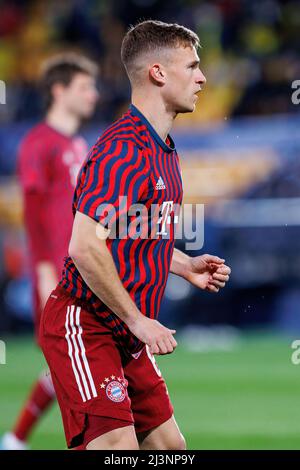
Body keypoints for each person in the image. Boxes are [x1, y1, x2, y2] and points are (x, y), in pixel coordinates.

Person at [40, 20, 231, 451]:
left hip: (124, 333)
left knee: (169, 450)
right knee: (118, 452)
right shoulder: (122, 150)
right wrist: (138, 320)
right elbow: (84, 245)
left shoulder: (162, 147)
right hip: (87, 323)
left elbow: (134, 232)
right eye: (192, 66)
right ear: (158, 73)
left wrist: (182, 265)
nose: (202, 78)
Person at [1, 53, 99, 450]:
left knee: (77, 364)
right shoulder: (38, 143)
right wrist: (41, 266)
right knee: (74, 365)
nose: (94, 94)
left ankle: (15, 439)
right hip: (57, 272)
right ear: (59, 92)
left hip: (86, 267)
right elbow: (32, 209)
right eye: (84, 87)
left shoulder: (78, 143)